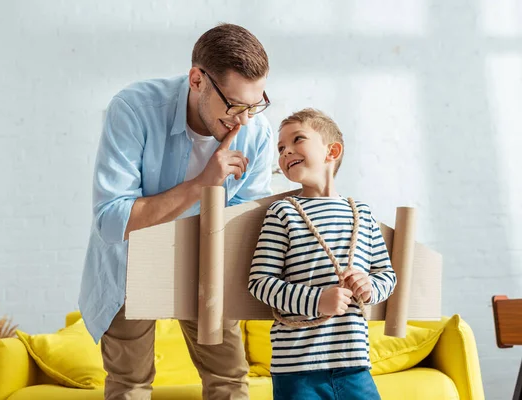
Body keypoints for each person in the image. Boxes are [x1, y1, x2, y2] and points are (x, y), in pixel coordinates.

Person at [79, 23, 275, 399]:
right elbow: (111, 221)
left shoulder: (256, 132)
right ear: (197, 79)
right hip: (129, 265)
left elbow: (244, 224)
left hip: (206, 266)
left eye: (255, 105)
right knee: (129, 385)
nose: (244, 120)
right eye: (234, 106)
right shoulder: (134, 109)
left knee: (230, 382)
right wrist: (203, 185)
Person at [248, 108, 397, 400]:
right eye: (281, 148)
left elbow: (386, 276)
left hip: (354, 365)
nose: (286, 151)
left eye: (297, 140)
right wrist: (318, 301)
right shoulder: (283, 212)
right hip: (296, 370)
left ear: (333, 151)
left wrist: (369, 287)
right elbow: (260, 282)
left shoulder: (362, 214)